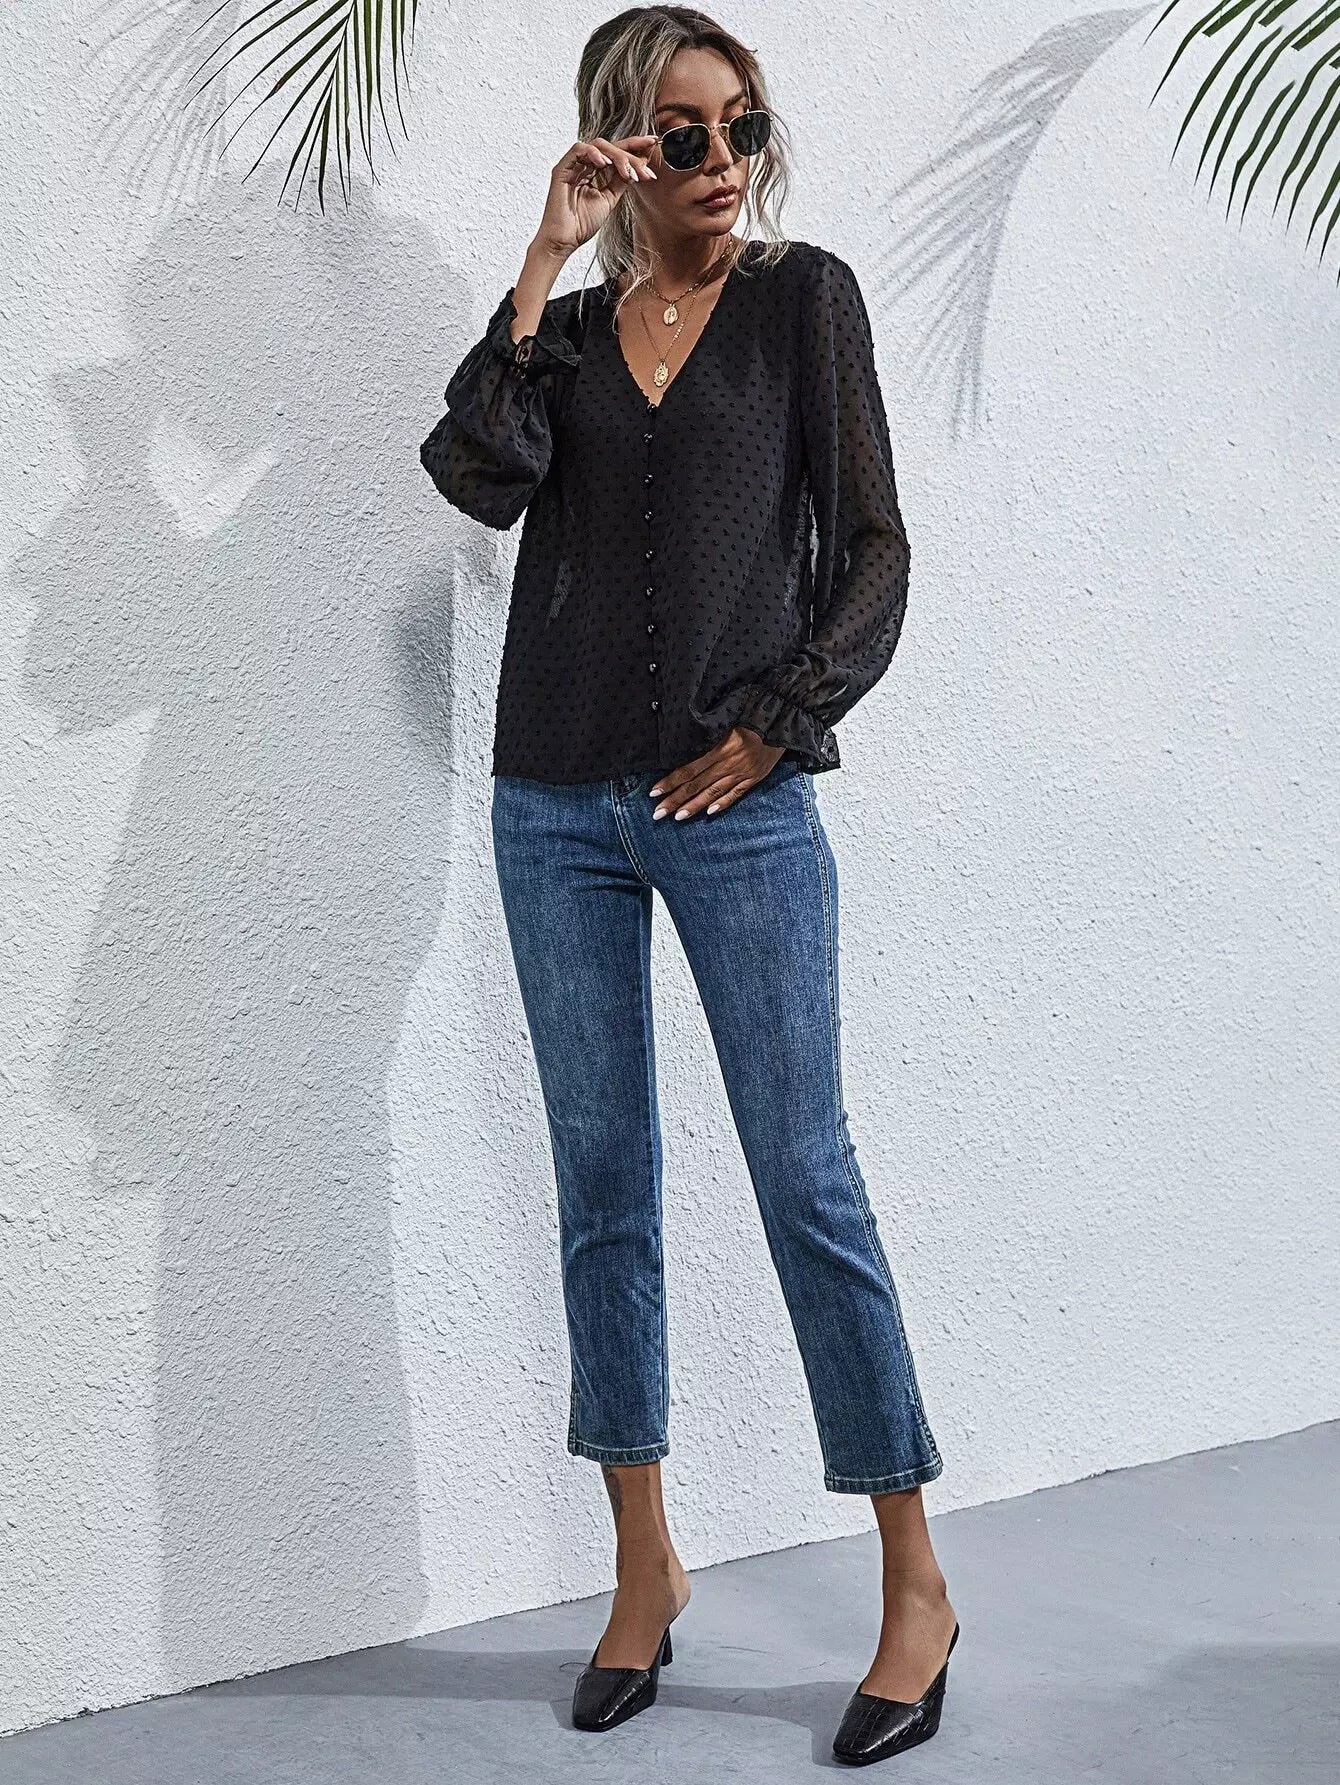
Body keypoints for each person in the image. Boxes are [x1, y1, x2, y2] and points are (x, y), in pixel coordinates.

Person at [419, 5, 959, 1764]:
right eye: (680, 132)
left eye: (740, 127)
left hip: (739, 809)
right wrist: (540, 256)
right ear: (621, 148)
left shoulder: (806, 305)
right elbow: (479, 475)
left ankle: (915, 1580)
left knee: (806, 1174)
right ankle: (643, 1566)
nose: (721, 160)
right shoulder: (570, 339)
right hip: (554, 806)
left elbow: (874, 548)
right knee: (604, 1186)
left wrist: (781, 722)